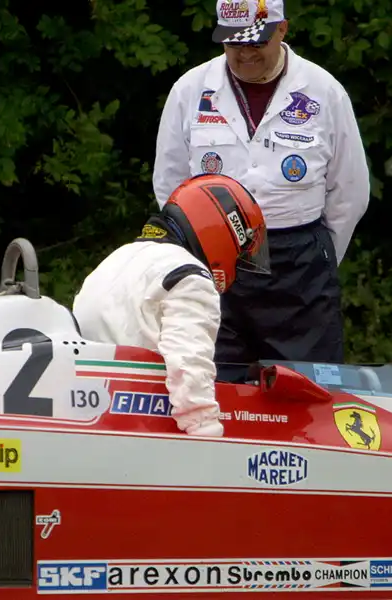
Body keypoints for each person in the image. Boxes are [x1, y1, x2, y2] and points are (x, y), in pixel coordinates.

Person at [152, 0, 370, 373]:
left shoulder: (324, 92)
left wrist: (319, 257)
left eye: (256, 43)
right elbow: (169, 184)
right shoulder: (190, 91)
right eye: (234, 44)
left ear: (282, 30)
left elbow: (349, 191)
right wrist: (196, 251)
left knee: (309, 394)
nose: (245, 55)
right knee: (214, 387)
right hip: (214, 262)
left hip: (300, 267)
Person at [72, 173, 270, 437]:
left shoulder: (116, 260)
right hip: (139, 425)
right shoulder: (189, 277)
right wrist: (206, 432)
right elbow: (190, 364)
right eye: (240, 252)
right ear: (224, 230)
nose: (237, 261)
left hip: (87, 413)